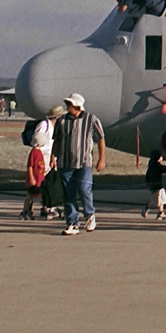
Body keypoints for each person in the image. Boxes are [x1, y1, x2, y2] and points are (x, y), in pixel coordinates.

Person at [51, 92, 105, 235]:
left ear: (77, 106)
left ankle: (90, 215)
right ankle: (72, 223)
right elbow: (56, 140)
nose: (67, 107)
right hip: (65, 163)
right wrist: (53, 156)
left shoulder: (91, 119)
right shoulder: (61, 121)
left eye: (70, 104)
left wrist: (101, 158)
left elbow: (100, 139)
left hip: (84, 162)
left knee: (84, 189)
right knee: (69, 194)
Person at [21, 130, 45, 220]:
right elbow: (30, 166)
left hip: (40, 179)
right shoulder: (34, 152)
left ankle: (26, 211)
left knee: (35, 195)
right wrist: (31, 178)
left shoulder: (39, 152)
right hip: (35, 180)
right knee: (33, 196)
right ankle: (25, 211)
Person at [141, 149, 166, 219]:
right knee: (155, 201)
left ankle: (161, 212)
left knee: (161, 200)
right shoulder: (157, 166)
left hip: (158, 186)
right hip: (157, 186)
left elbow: (147, 175)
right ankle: (146, 208)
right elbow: (164, 169)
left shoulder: (151, 165)